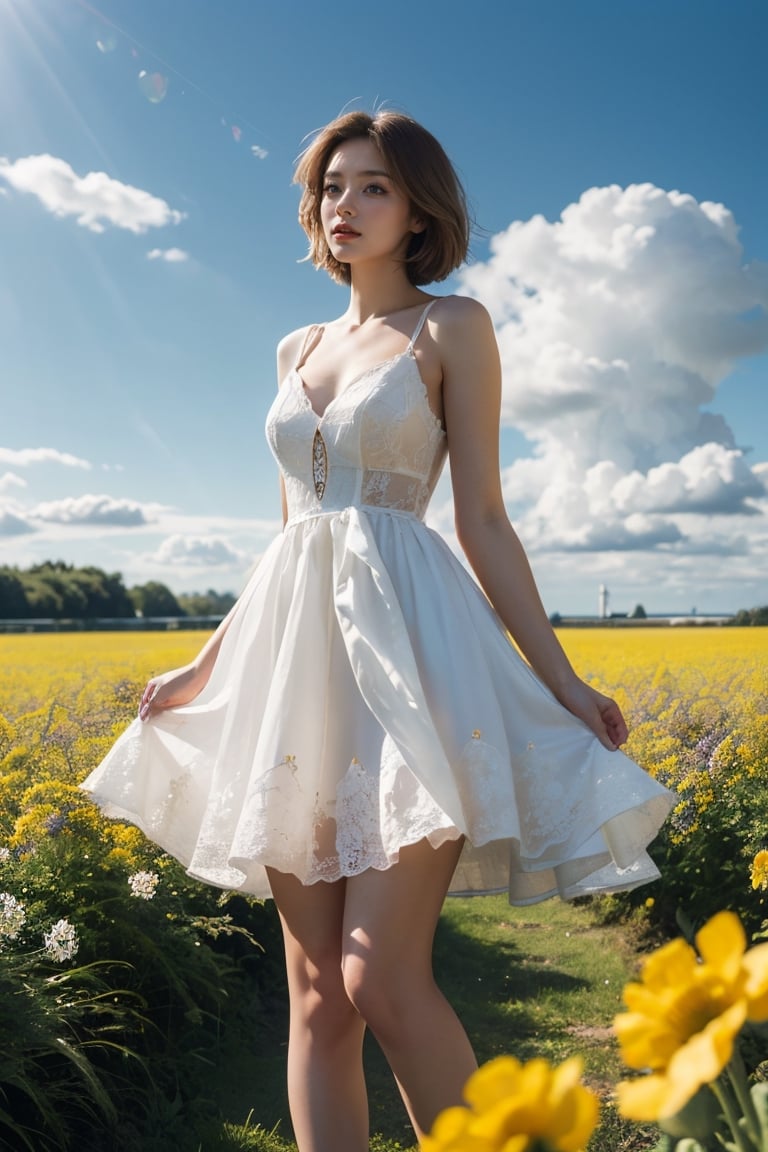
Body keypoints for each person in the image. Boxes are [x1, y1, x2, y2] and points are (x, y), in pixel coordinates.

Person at [82, 109, 674, 1151]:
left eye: (373, 188)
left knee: (381, 976)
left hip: (411, 661)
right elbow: (286, 539)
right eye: (331, 187)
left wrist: (566, 681)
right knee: (318, 996)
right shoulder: (295, 345)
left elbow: (483, 518)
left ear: (417, 212)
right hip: (293, 675)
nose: (343, 207)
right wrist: (205, 663)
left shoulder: (454, 328)